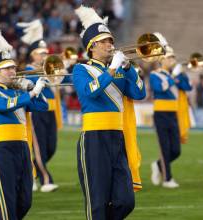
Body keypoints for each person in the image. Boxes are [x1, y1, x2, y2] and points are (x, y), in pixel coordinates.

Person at [73, 5, 146, 219]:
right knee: (98, 202)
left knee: (126, 200)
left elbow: (139, 93)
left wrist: (128, 69)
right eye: (105, 41)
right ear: (92, 46)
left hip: (117, 137)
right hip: (94, 139)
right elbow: (90, 92)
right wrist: (112, 69)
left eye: (111, 41)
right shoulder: (81, 69)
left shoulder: (119, 70)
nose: (110, 45)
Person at [0, 25, 48, 220]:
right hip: (3, 149)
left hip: (23, 148)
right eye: (6, 69)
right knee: (8, 199)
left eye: (13, 67)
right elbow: (5, 105)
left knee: (25, 199)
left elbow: (41, 107)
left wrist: (33, 88)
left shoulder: (18, 92)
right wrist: (30, 93)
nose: (12, 71)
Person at [17, 19, 63, 192]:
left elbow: (59, 82)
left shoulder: (48, 69)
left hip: (50, 111)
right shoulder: (28, 71)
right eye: (40, 53)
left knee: (51, 147)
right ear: (32, 55)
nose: (44, 56)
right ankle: (45, 179)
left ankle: (31, 172)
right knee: (39, 147)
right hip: (37, 112)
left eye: (45, 53)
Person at [149, 34, 192, 188]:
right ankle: (167, 179)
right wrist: (173, 77)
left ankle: (158, 165)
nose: (172, 60)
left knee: (176, 149)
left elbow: (188, 88)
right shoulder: (155, 75)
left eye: (173, 58)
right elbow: (159, 88)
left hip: (173, 114)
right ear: (161, 60)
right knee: (165, 147)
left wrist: (182, 75)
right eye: (169, 58)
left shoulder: (175, 75)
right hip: (160, 114)